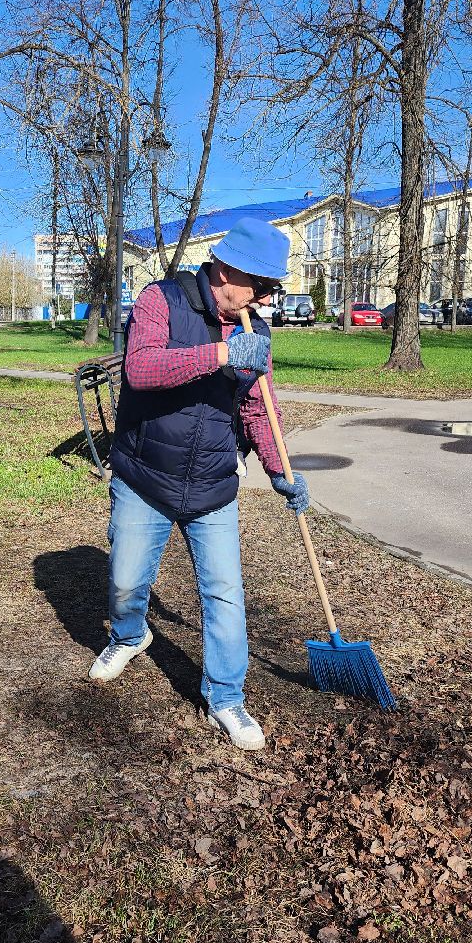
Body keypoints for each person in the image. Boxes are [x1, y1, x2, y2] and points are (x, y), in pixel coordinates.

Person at [87, 217, 308, 752]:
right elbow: (140, 370)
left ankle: (227, 698)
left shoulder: (255, 330)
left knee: (225, 594)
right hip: (144, 476)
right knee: (124, 582)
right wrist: (221, 355)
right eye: (264, 285)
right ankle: (129, 635)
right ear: (228, 270)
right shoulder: (159, 300)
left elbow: (259, 406)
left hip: (211, 483)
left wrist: (280, 470)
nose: (267, 298)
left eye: (274, 289)